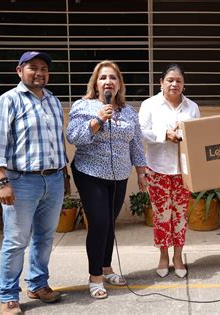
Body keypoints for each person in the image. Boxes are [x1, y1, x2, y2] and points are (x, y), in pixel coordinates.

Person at [0, 51, 70, 315]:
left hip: (53, 179)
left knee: (45, 238)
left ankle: (37, 284)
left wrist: (64, 175)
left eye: (44, 68)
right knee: (16, 240)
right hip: (21, 182)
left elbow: (58, 142)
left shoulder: (54, 101)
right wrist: (2, 182)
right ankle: (9, 295)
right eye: (33, 67)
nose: (40, 72)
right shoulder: (8, 101)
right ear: (19, 71)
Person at [66, 60, 147, 299]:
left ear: (119, 84)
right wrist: (98, 119)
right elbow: (74, 137)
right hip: (89, 172)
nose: (108, 81)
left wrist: (141, 172)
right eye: (103, 78)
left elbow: (136, 144)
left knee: (110, 222)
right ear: (96, 83)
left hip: (119, 174)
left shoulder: (129, 111)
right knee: (99, 222)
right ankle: (95, 277)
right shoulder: (83, 106)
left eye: (113, 77)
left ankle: (107, 267)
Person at [139, 64, 201, 278]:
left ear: (184, 84)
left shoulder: (192, 107)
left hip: (184, 172)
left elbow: (198, 137)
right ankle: (163, 256)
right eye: (170, 80)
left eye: (179, 81)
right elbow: (140, 133)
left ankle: (178, 256)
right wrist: (164, 134)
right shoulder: (149, 105)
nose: (174, 84)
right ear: (161, 82)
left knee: (180, 216)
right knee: (161, 216)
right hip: (158, 169)